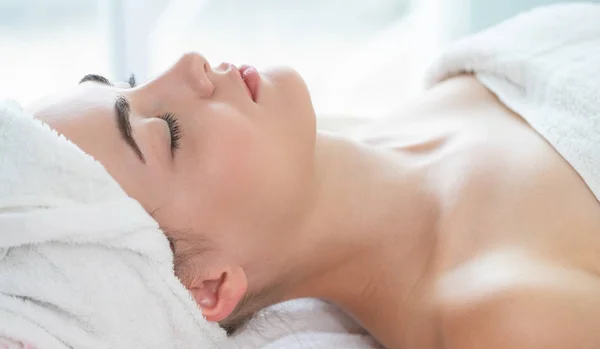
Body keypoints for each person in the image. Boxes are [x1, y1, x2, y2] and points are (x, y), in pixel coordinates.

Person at [26, 4, 600, 348]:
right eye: (167, 131)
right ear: (210, 286)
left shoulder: (413, 111)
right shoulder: (508, 317)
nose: (188, 65)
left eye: (129, 79)